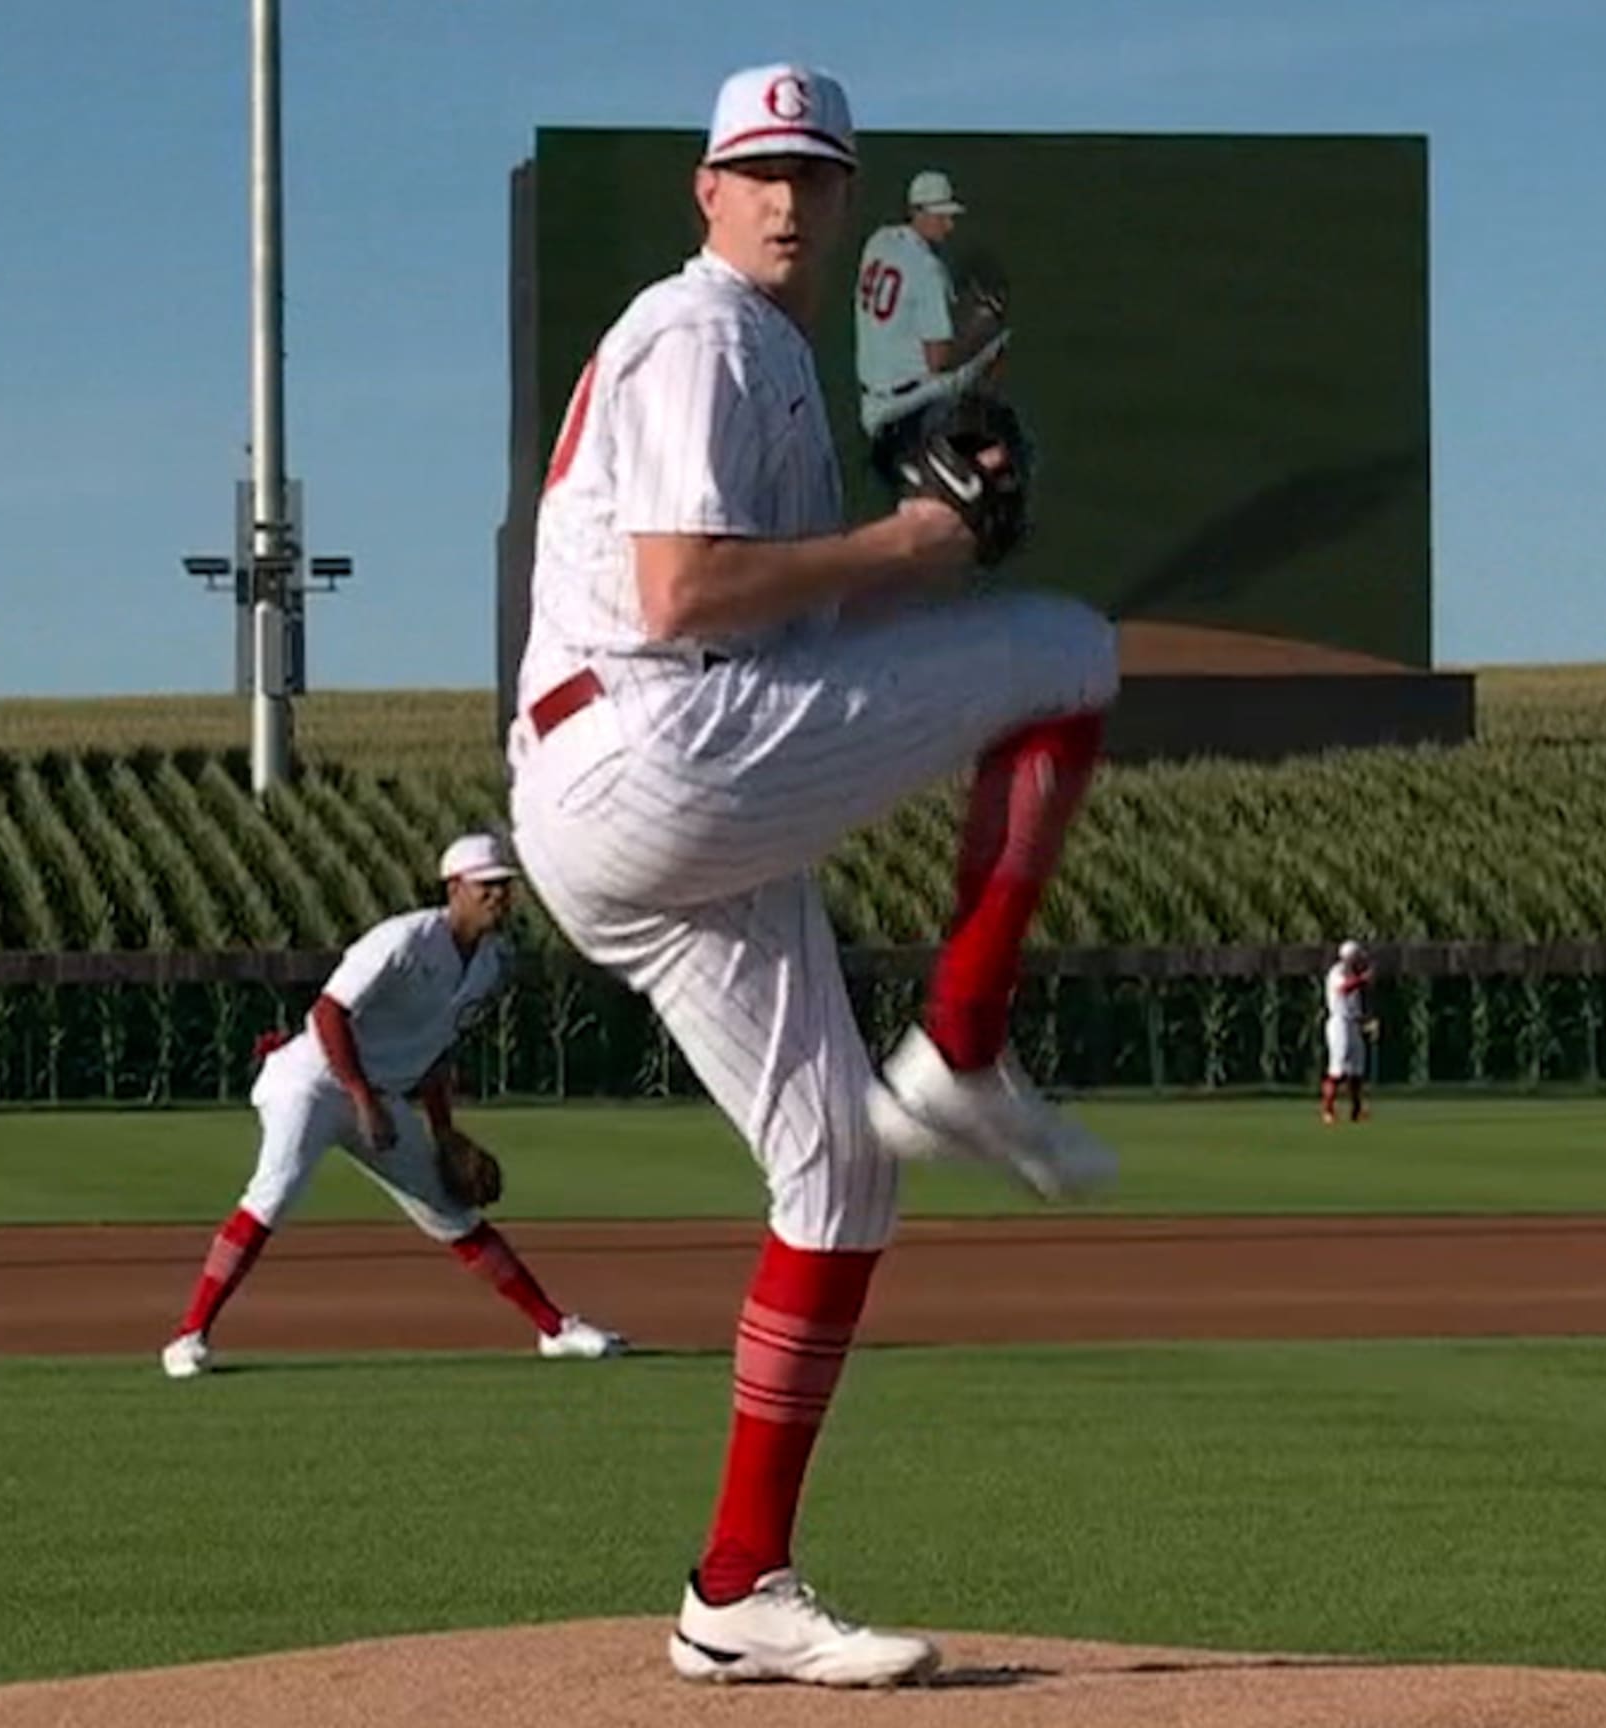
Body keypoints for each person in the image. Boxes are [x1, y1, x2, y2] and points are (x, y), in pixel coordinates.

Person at [505, 61, 1121, 1689]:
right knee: (1067, 651)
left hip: (641, 790)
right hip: (653, 747)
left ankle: (734, 1587)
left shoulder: (766, 351)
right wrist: (918, 549)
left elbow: (780, 613)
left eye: (815, 172)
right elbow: (680, 588)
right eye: (756, 168)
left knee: (839, 1173)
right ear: (704, 191)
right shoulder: (700, 331)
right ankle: (969, 1051)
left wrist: (915, 551)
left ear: (844, 204)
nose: (785, 195)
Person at [158, 832, 627, 1379]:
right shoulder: (403, 940)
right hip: (311, 1079)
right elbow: (330, 1013)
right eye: (487, 887)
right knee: (273, 1194)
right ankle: (189, 1337)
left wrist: (444, 1131)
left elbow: (434, 1050)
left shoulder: (490, 964)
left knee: (452, 1213)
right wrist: (362, 1099)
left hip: (376, 1093)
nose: (499, 897)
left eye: (505, 887)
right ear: (454, 888)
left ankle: (554, 1329)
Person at [852, 168, 1009, 490]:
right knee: (999, 345)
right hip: (911, 406)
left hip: (870, 402)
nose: (949, 226)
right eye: (941, 217)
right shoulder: (928, 271)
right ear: (917, 213)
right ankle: (980, 453)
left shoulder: (879, 241)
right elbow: (938, 360)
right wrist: (981, 324)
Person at [1322, 938, 1375, 1124]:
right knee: (1337, 1069)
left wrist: (1366, 1021)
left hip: (1353, 1023)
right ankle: (1328, 1110)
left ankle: (1356, 1111)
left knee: (1357, 1070)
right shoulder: (1337, 972)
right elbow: (1343, 989)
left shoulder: (1353, 973)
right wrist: (1362, 980)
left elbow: (1355, 1004)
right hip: (1339, 1023)